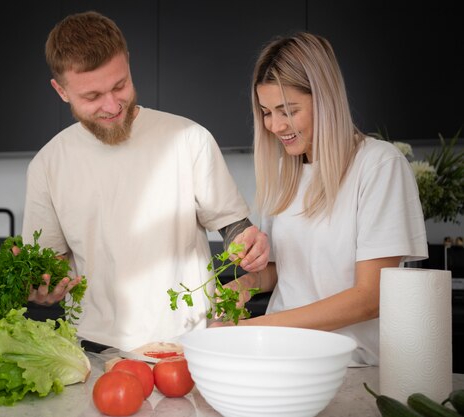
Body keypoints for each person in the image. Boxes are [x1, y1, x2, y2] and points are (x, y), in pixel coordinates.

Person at [21, 11, 269, 352]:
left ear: (128, 64)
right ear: (61, 90)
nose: (111, 105)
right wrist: (43, 290)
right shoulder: (48, 165)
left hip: (189, 343)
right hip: (92, 349)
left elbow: (232, 226)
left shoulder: (188, 138)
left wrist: (248, 242)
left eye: (120, 85)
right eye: (92, 96)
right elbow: (50, 267)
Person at [214, 32, 427, 365]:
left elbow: (371, 298)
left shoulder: (379, 165)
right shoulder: (284, 171)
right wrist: (245, 284)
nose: (275, 125)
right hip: (281, 359)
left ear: (325, 99)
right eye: (267, 112)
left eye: (288, 110)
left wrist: (256, 328)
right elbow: (281, 271)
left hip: (351, 366)